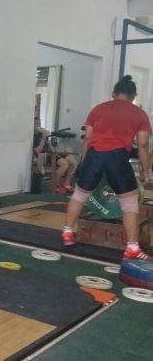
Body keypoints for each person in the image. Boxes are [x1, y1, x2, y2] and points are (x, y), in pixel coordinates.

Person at [61, 75, 151, 260]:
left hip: (94, 154)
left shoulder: (98, 109)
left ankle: (68, 232)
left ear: (114, 93)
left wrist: (85, 163)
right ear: (134, 96)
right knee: (129, 203)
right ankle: (132, 247)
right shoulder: (139, 113)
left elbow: (87, 138)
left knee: (79, 195)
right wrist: (146, 170)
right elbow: (142, 145)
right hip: (117, 157)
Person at [32, 117, 78, 194]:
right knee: (64, 164)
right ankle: (55, 184)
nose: (38, 125)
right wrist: (43, 138)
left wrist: (55, 151)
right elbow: (37, 151)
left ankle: (66, 183)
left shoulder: (41, 133)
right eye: (36, 124)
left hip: (51, 153)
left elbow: (49, 145)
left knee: (73, 162)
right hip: (43, 155)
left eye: (39, 123)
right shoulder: (32, 136)